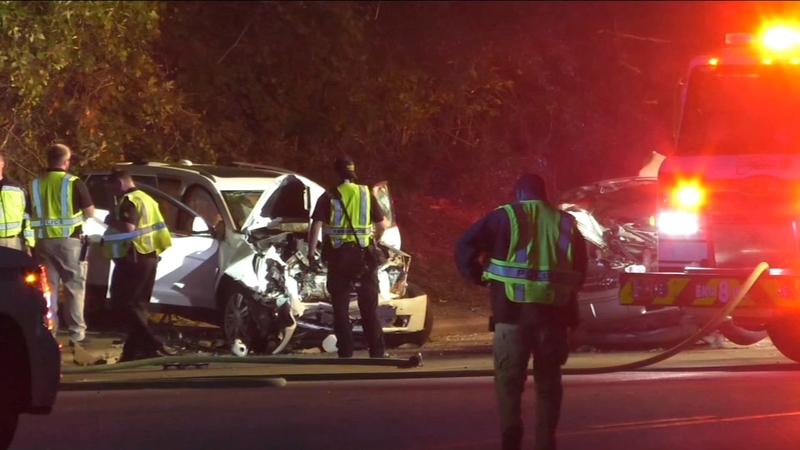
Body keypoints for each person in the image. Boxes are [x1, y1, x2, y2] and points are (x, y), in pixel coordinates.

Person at [455, 173, 588, 450]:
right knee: (548, 383)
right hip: (553, 318)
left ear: (518, 194)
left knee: (509, 381)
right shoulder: (565, 223)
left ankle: (511, 434)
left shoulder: (503, 217)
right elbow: (578, 272)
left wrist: (477, 275)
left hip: (511, 316)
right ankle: (545, 440)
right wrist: (571, 316)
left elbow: (464, 246)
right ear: (545, 194)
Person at [307, 156, 392, 359]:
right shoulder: (366, 193)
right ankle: (377, 352)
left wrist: (311, 253)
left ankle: (345, 352)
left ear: (336, 173)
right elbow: (382, 225)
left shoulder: (328, 196)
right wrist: (374, 242)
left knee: (340, 307)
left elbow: (316, 225)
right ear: (353, 172)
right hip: (364, 257)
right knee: (369, 307)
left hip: (338, 257)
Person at [102, 169, 175, 361]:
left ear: (119, 183)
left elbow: (129, 228)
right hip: (148, 257)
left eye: (112, 189)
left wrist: (111, 220)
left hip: (133, 257)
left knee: (123, 304)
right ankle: (134, 353)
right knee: (139, 305)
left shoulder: (130, 200)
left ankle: (152, 342)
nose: (112, 194)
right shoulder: (147, 199)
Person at [29, 144, 95, 344]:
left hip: (43, 242)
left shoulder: (35, 184)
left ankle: (49, 333)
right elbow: (89, 212)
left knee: (49, 290)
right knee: (74, 288)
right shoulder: (73, 182)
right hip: (69, 243)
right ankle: (77, 335)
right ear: (66, 162)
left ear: (48, 160)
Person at [0, 152, 34, 254]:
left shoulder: (16, 188)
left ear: (2, 163)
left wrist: (29, 243)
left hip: (14, 242)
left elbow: (27, 216)